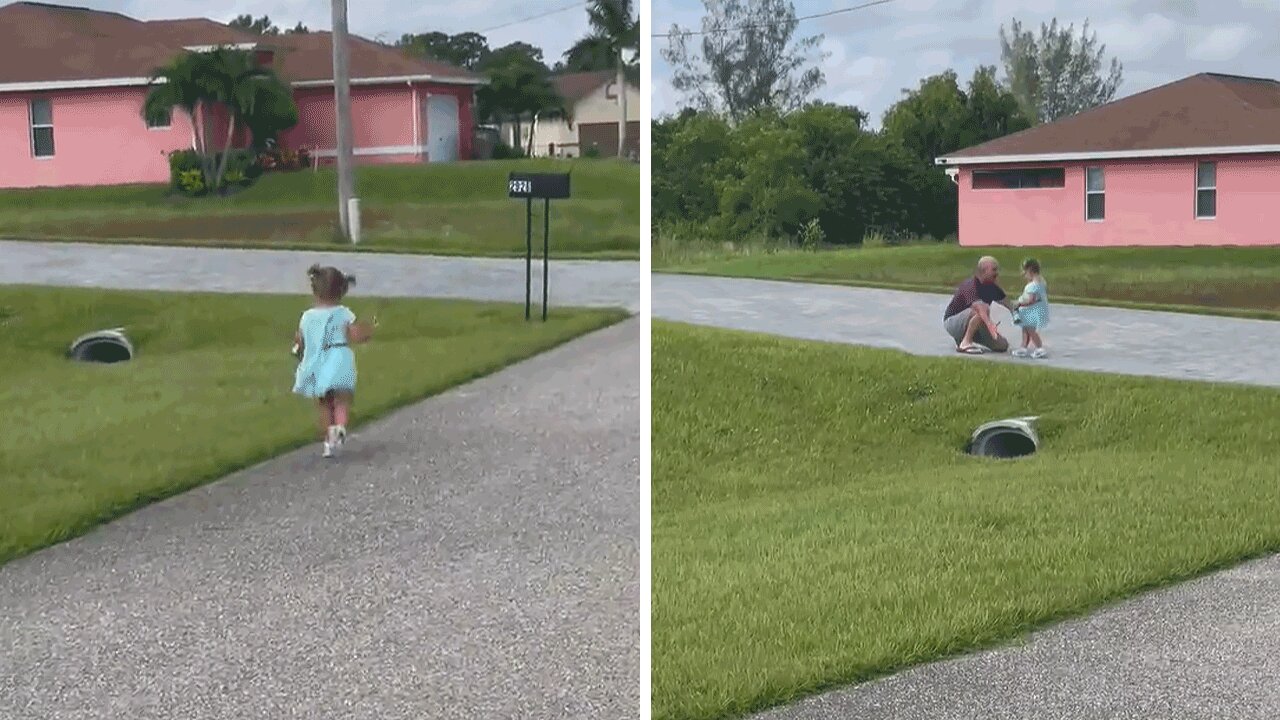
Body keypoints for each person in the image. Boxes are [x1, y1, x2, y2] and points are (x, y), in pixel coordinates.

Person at [292, 264, 377, 458]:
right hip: (338, 360)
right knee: (341, 399)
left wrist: (298, 351)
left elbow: (300, 340)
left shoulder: (307, 317)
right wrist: (366, 332)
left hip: (317, 363)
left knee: (323, 402)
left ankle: (329, 438)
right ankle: (340, 427)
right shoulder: (344, 313)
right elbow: (354, 335)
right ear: (341, 291)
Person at [943, 255, 1018, 354]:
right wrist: (990, 325)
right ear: (983, 271)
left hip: (976, 322)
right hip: (953, 323)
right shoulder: (970, 285)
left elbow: (1010, 305)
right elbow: (980, 309)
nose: (997, 273)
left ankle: (963, 339)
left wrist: (1017, 311)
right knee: (982, 309)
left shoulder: (992, 287)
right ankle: (965, 343)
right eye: (994, 270)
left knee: (1002, 346)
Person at [1011, 258, 1050, 359]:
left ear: (1030, 271)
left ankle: (1039, 348)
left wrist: (1019, 303)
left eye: (1024, 272)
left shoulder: (1032, 286)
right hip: (1034, 310)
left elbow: (1030, 300)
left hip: (1031, 311)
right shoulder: (1041, 281)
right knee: (1025, 329)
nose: (1024, 275)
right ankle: (1023, 347)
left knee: (1031, 331)